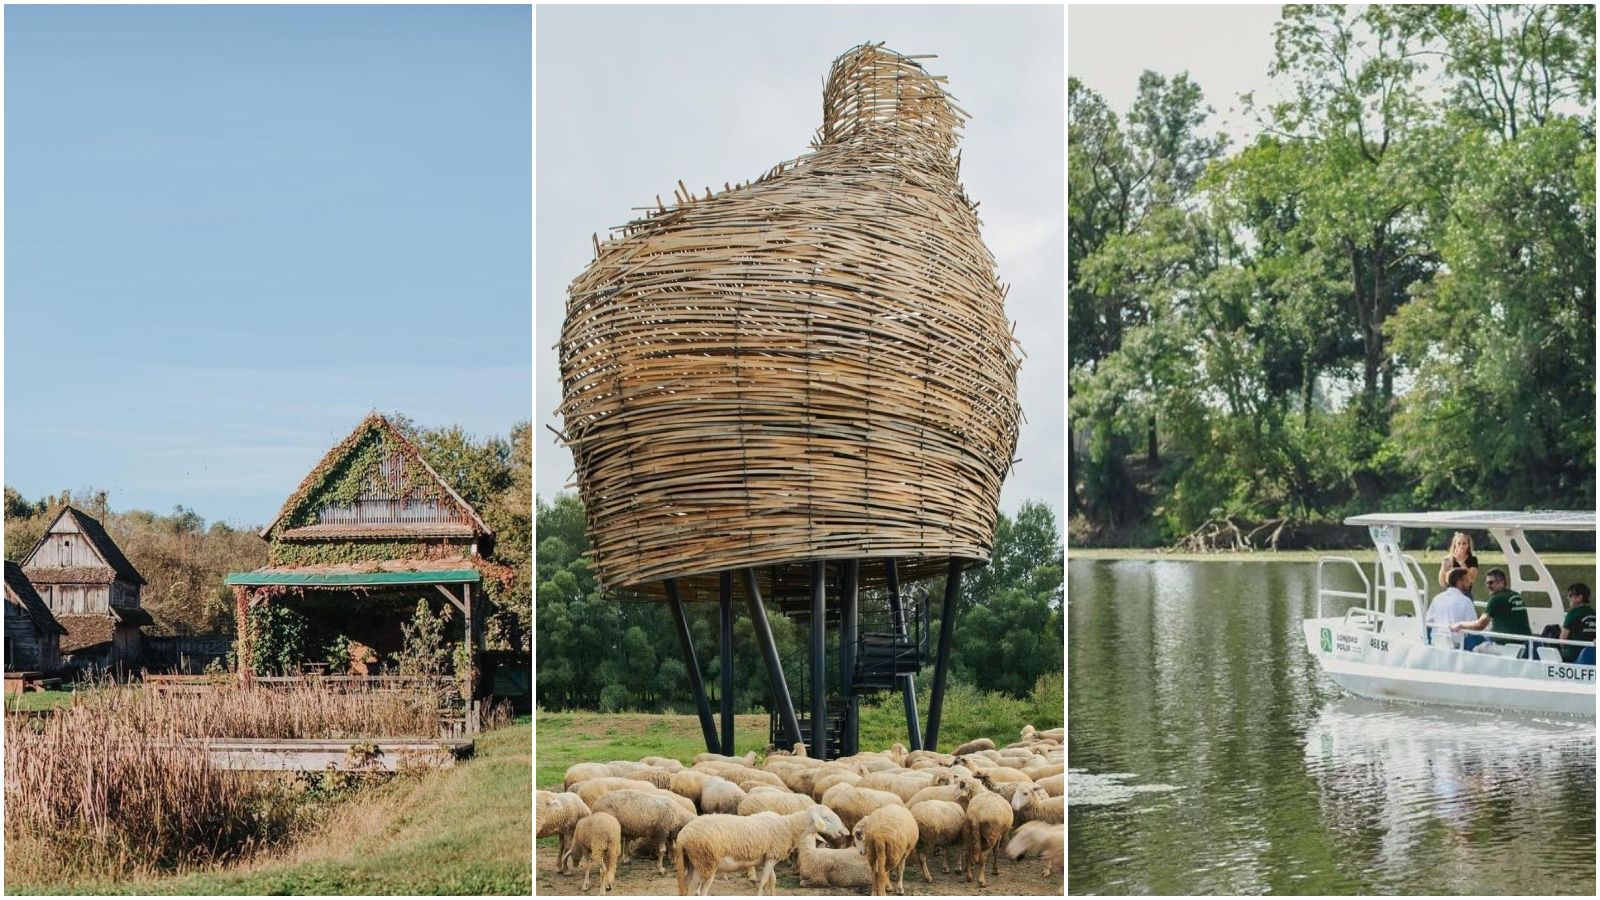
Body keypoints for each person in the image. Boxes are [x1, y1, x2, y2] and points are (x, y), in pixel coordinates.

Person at [1450, 568, 1532, 649]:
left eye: (1491, 583)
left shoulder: (1496, 598)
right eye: (1486, 583)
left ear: (1501, 582)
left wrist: (1460, 624)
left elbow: (1479, 625)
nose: (1488, 586)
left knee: (1474, 646)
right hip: (1526, 643)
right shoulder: (1516, 595)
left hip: (1506, 645)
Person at [1426, 568, 1478, 649]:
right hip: (1458, 646)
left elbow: (1428, 621)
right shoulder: (1466, 601)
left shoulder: (1437, 598)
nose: (1469, 583)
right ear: (1459, 582)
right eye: (1467, 580)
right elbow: (1474, 627)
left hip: (1436, 642)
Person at [1559, 582, 1596, 664]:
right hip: (1592, 656)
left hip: (1572, 656)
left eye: (1570, 595)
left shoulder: (1572, 614)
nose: (1568, 598)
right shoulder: (1594, 613)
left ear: (1579, 597)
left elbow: (1562, 640)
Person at [1436, 532, 1479, 597]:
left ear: (1468, 545)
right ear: (1455, 545)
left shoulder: (1472, 560)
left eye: (1464, 543)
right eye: (1459, 543)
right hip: (1450, 594)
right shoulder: (1448, 559)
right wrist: (1446, 568)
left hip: (1465, 594)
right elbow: (1442, 582)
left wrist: (1461, 561)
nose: (1461, 546)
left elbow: (1471, 579)